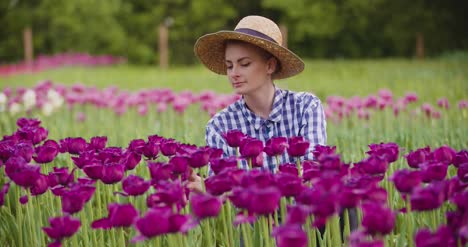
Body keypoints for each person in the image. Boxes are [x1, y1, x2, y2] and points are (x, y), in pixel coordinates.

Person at [188, 15, 357, 240]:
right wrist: (207, 189)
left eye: (244, 63)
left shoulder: (305, 106)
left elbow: (313, 172)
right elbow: (224, 190)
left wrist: (251, 188)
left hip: (308, 216)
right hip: (257, 225)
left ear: (270, 65)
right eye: (229, 66)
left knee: (346, 195)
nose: (234, 73)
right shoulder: (220, 125)